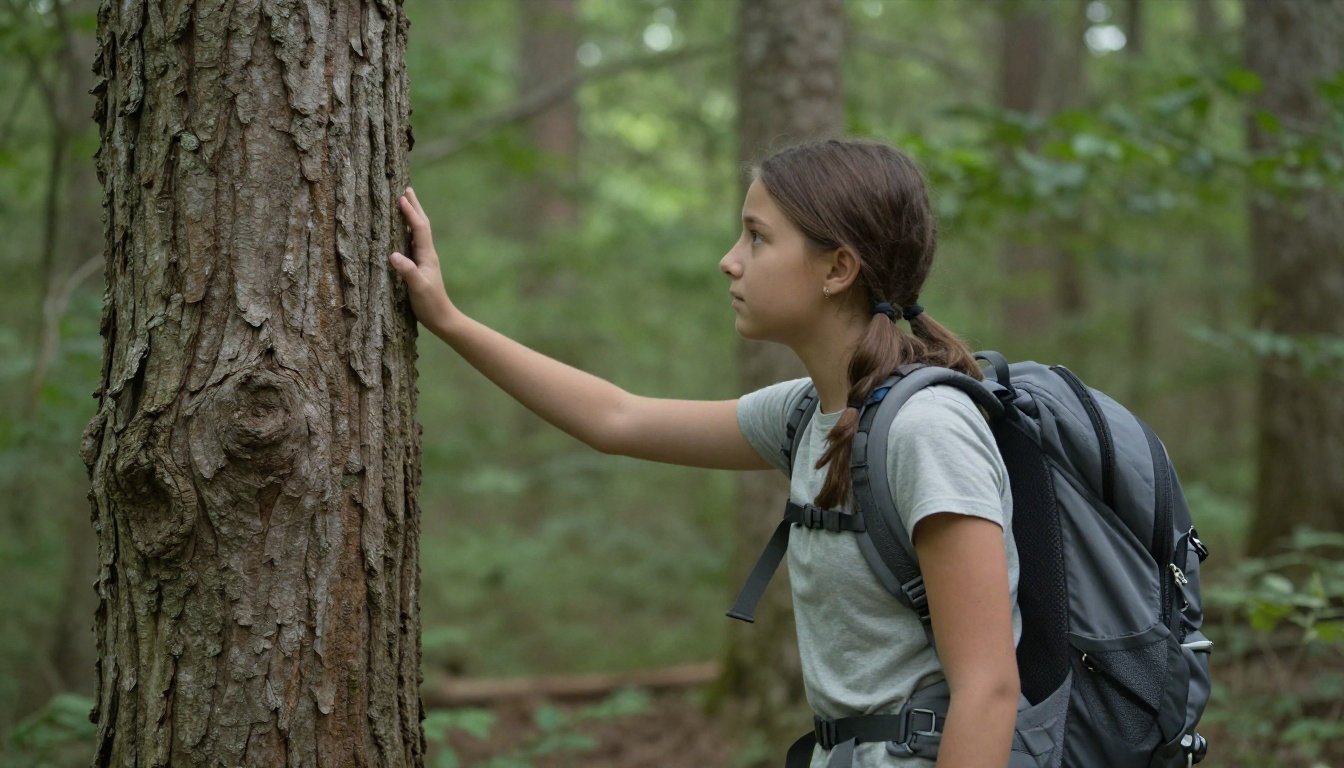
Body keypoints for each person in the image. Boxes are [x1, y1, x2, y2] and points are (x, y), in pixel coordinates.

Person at [389, 139, 1020, 768]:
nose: (730, 261)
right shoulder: (809, 414)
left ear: (837, 270)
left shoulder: (927, 431)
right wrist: (448, 319)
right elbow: (618, 418)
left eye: (756, 238)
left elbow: (988, 691)